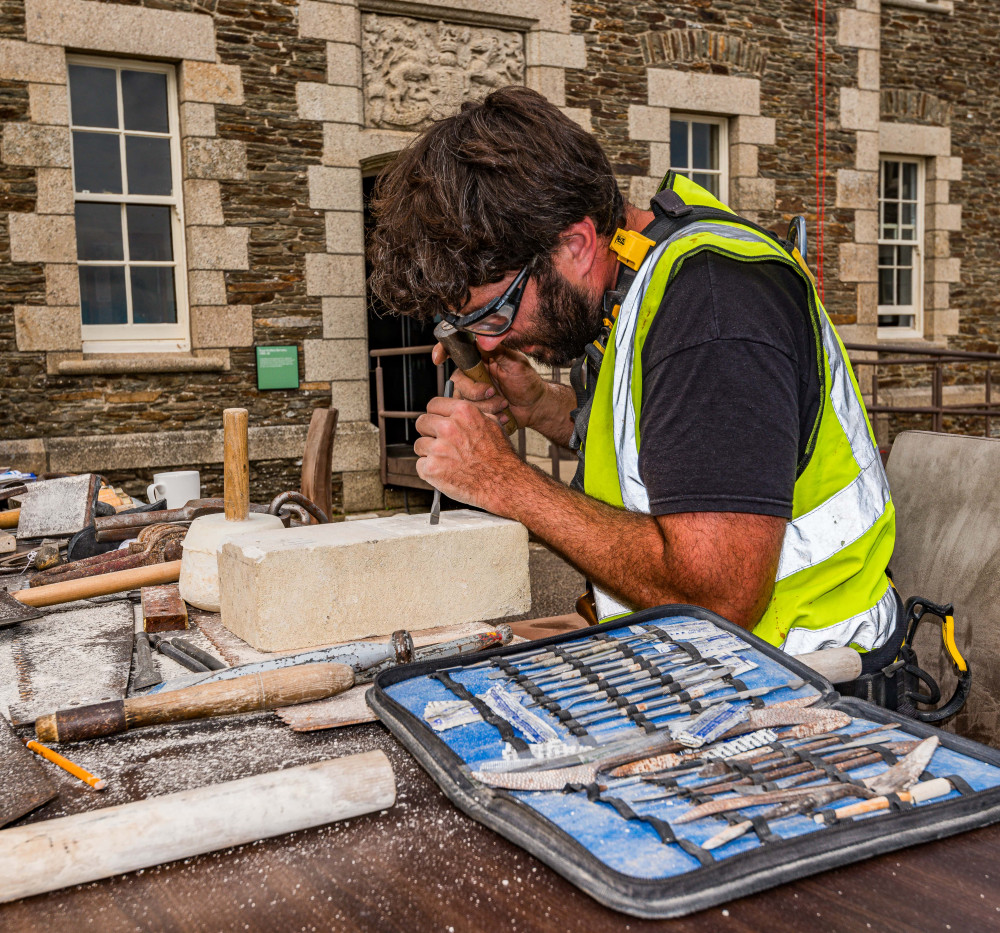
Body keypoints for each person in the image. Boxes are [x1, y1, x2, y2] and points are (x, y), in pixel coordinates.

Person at [368, 86, 901, 663]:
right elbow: (668, 449)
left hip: (811, 672)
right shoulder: (639, 278)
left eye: (494, 311)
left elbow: (719, 601)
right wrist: (538, 405)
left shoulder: (713, 311)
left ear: (575, 242)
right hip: (714, 654)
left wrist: (502, 481)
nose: (490, 341)